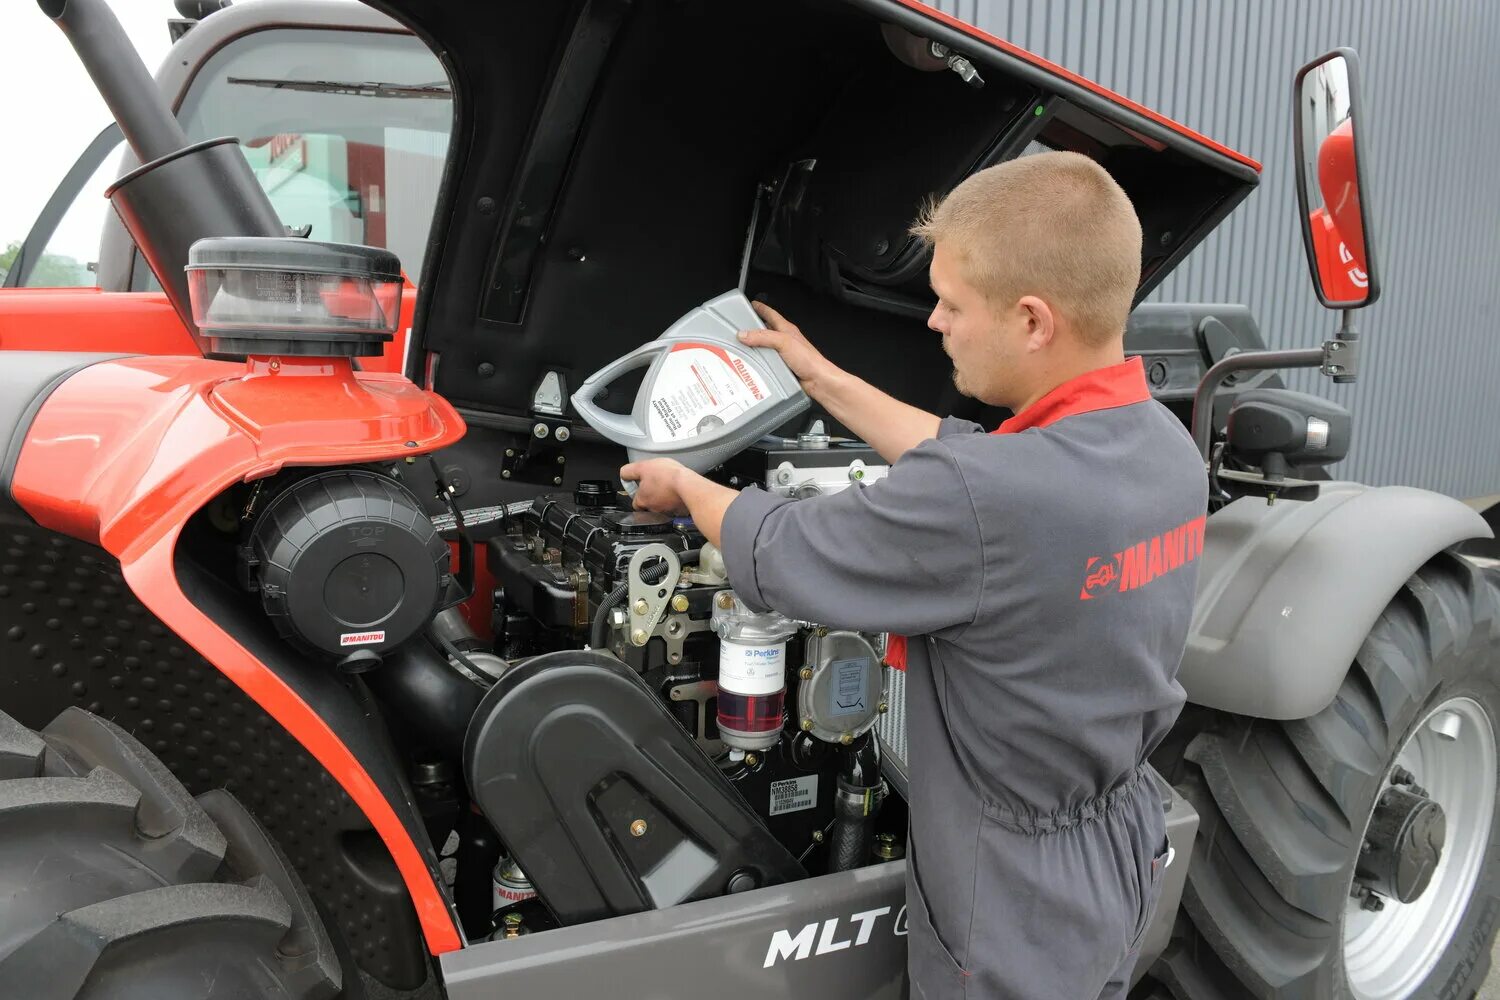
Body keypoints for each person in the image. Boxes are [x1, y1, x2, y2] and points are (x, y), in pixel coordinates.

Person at [622, 150, 1208, 999]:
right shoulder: (1160, 448)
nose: (933, 322)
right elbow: (962, 456)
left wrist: (687, 487)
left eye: (953, 304)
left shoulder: (989, 502)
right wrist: (821, 379)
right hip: (1117, 846)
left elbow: (784, 550)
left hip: (1010, 901)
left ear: (1034, 321)